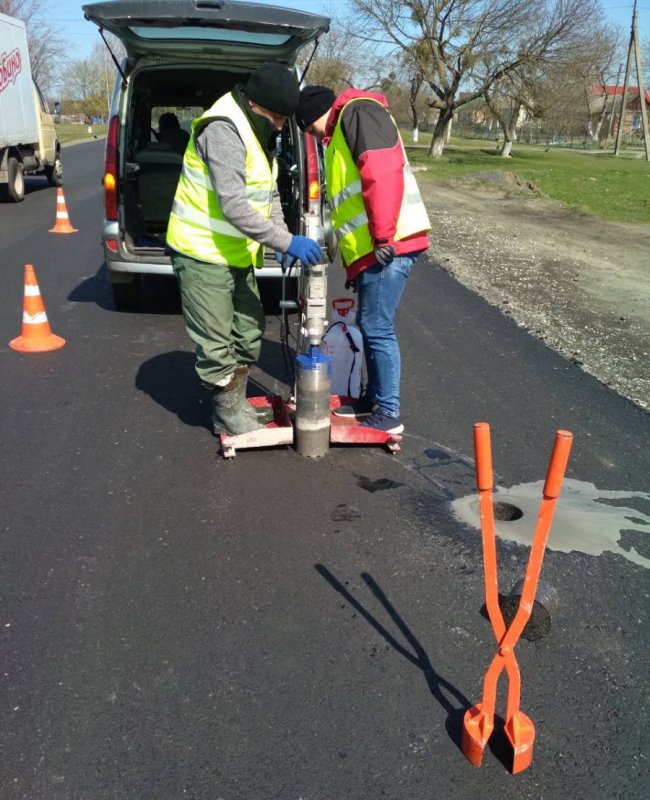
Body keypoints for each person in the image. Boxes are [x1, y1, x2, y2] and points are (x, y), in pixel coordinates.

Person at [166, 64, 321, 436]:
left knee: (249, 331)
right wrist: (285, 242)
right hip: (201, 251)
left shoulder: (258, 129)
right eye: (277, 117)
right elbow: (234, 205)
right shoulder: (223, 128)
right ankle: (226, 411)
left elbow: (266, 192)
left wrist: (283, 235)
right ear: (255, 104)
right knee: (217, 342)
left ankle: (237, 405)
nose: (281, 126)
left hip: (235, 255)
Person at [295, 86, 431, 434]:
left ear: (315, 116)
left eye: (310, 128)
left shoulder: (358, 113)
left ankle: (389, 412)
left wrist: (383, 236)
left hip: (390, 241)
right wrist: (356, 265)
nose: (314, 135)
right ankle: (375, 398)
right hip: (375, 248)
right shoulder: (343, 130)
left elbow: (381, 171)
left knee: (378, 327)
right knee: (371, 325)